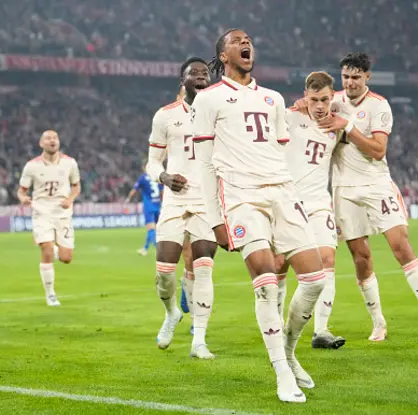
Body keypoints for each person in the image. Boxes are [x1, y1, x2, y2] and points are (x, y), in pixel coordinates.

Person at [192, 29, 325, 403]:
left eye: (248, 39)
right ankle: (282, 373)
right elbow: (204, 165)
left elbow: (284, 153)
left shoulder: (273, 98)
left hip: (283, 191)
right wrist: (215, 218)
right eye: (236, 40)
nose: (245, 43)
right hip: (241, 196)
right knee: (266, 282)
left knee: (315, 280)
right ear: (223, 54)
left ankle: (288, 350)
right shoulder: (208, 99)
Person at [296, 52, 418, 340]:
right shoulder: (333, 100)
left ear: (368, 77)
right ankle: (378, 322)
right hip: (343, 190)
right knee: (361, 257)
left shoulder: (379, 106)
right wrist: (301, 104)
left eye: (356, 77)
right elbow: (310, 108)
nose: (350, 82)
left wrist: (348, 127)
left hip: (376, 184)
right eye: (346, 76)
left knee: (400, 245)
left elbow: (378, 150)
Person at [147, 57, 219, 358]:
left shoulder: (220, 113)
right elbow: (152, 161)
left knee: (203, 268)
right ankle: (172, 313)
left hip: (206, 200)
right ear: (183, 80)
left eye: (205, 73)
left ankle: (199, 340)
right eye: (195, 73)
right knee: (164, 271)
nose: (201, 76)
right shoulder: (165, 116)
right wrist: (163, 176)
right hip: (175, 200)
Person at [274, 71, 345, 349]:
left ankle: (322, 330)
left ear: (332, 97)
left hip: (319, 203)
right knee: (280, 264)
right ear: (305, 96)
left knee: (327, 259)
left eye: (325, 99)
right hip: (288, 202)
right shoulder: (290, 118)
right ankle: (277, 327)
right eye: (314, 99)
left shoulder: (337, 127)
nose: (319, 105)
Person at [17, 130, 81, 306]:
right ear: (41, 143)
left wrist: (70, 199)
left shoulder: (70, 163)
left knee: (66, 258)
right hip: (41, 212)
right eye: (48, 138)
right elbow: (21, 191)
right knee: (46, 249)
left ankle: (52, 247)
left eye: (55, 138)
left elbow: (76, 187)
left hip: (62, 214)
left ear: (58, 142)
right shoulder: (31, 166)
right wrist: (24, 199)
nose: (52, 141)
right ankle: (50, 294)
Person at [125, 170, 163, 256]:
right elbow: (162, 192)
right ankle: (145, 248)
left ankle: (160, 249)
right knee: (155, 229)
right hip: (158, 206)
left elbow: (134, 190)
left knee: (151, 229)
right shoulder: (157, 176)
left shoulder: (143, 177)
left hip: (149, 207)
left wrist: (128, 199)